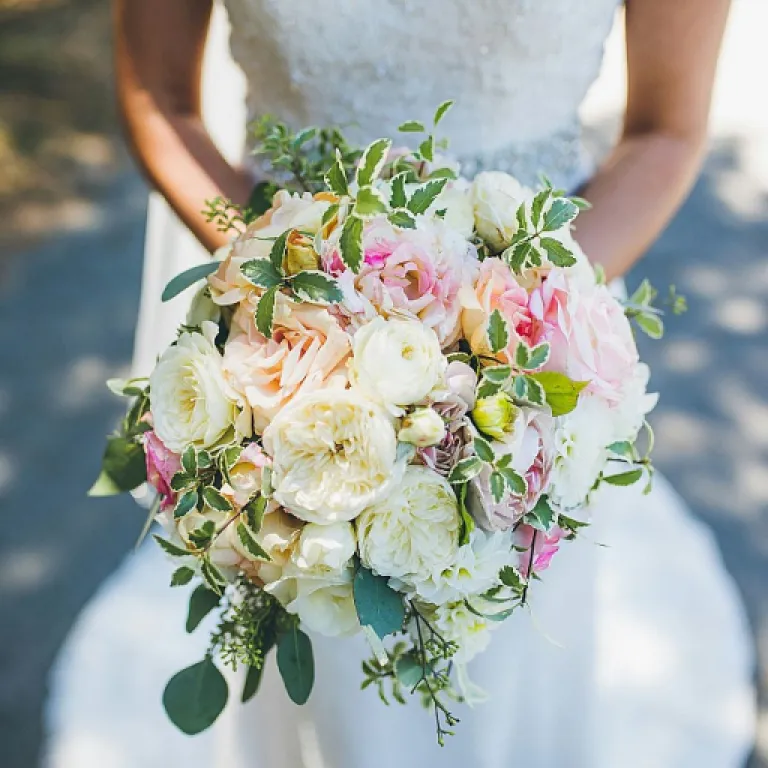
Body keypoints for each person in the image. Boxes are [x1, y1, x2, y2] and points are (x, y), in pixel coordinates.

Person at [44, 1, 756, 766]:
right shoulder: (280, 300)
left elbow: (665, 131)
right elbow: (162, 101)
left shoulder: (531, 344)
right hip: (283, 338)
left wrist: (508, 328)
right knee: (316, 618)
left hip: (533, 356)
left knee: (513, 642)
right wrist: (283, 278)